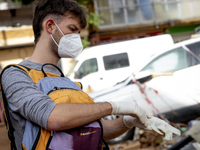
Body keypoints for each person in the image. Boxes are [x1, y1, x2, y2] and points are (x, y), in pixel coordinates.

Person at [1, 0, 180, 149]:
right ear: (49, 26)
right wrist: (115, 106)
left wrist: (128, 121)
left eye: (78, 33)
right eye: (72, 29)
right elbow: (52, 118)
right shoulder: (16, 75)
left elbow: (94, 130)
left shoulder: (66, 82)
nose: (76, 38)